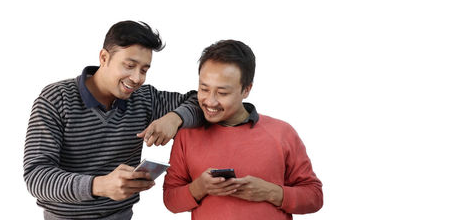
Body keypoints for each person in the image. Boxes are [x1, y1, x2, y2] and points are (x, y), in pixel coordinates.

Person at [23, 20, 203, 220]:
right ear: (104, 57)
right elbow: (36, 176)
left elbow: (202, 102)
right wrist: (99, 185)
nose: (137, 78)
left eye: (144, 70)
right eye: (129, 65)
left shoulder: (144, 98)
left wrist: (175, 117)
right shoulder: (56, 98)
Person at [163, 40, 323, 220]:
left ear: (246, 89)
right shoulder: (186, 135)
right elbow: (170, 201)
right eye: (204, 89)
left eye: (223, 93)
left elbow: (315, 196)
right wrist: (199, 188)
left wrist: (271, 192)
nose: (210, 101)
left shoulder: (282, 133)